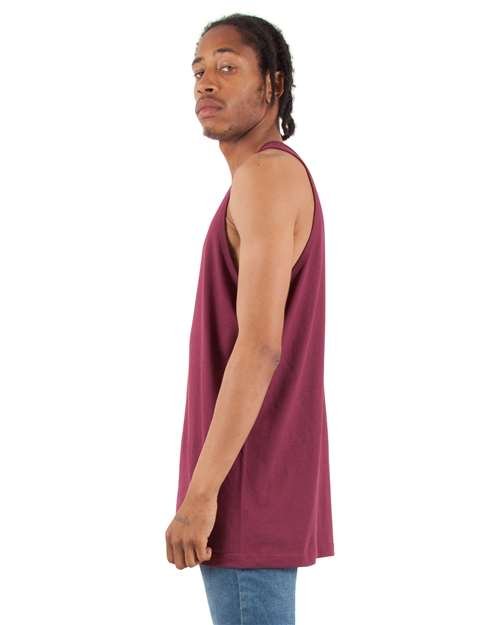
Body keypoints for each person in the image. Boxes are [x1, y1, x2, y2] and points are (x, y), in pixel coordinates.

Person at [165, 13, 335, 625]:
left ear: (273, 85)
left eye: (228, 66)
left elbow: (261, 345)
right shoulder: (268, 177)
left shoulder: (265, 175)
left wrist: (201, 495)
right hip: (257, 479)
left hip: (245, 484)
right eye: (199, 71)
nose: (206, 82)